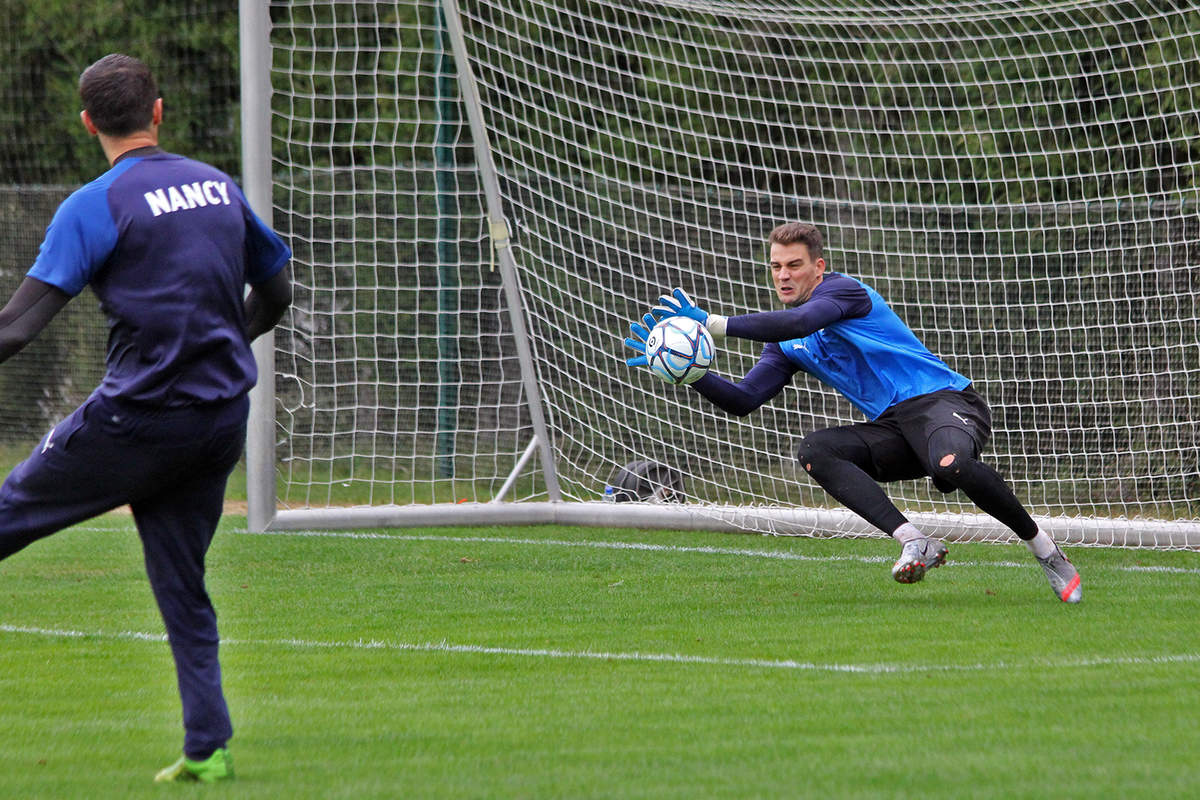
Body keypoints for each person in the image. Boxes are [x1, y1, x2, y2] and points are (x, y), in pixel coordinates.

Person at [0, 54, 292, 782]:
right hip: (219, 417)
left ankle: (209, 744)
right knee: (181, 584)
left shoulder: (95, 205)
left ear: (87, 123)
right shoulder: (218, 187)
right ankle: (209, 746)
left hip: (139, 419)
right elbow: (279, 289)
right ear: (158, 112)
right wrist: (224, 344)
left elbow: (13, 332)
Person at [625, 221, 1081, 603]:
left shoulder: (844, 292)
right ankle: (913, 540)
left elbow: (802, 320)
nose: (783, 275)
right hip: (894, 428)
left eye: (794, 265)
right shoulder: (782, 342)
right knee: (815, 450)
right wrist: (689, 375)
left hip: (943, 402)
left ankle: (1046, 551)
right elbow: (745, 399)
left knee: (953, 465)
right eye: (776, 267)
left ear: (818, 268)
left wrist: (713, 324)